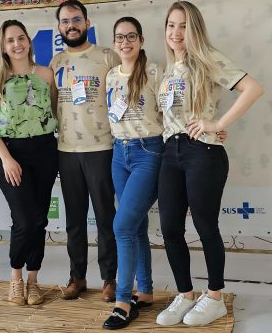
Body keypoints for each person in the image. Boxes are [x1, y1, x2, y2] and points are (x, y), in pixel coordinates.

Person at [156, 1, 264, 326]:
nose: (176, 32)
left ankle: (214, 296)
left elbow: (253, 88)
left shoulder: (207, 58)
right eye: (172, 25)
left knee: (205, 227)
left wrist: (217, 124)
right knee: (170, 229)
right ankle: (185, 294)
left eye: (184, 25)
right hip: (169, 153)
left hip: (202, 152)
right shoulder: (167, 70)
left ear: (196, 29)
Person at [0, 20, 58, 306]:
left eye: (21, 38)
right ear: (3, 46)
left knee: (39, 219)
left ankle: (33, 280)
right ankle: (15, 278)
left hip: (45, 150)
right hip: (9, 151)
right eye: (10, 40)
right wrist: (7, 159)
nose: (17, 44)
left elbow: (54, 111)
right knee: (24, 219)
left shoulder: (46, 74)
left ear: (29, 41)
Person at [50, 0, 120, 302]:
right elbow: (52, 104)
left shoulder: (107, 56)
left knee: (105, 217)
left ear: (87, 23)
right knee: (75, 220)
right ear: (59, 28)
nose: (71, 26)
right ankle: (77, 277)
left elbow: (123, 96)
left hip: (101, 147)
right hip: (66, 150)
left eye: (76, 19)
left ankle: (109, 279)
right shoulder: (55, 63)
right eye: (65, 21)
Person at [102, 17, 164, 330]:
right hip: (119, 154)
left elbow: (171, 111)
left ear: (140, 39)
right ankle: (147, 291)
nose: (125, 42)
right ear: (114, 43)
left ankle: (123, 301)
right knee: (136, 227)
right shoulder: (112, 75)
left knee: (122, 226)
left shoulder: (155, 72)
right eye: (119, 37)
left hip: (148, 152)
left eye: (131, 36)